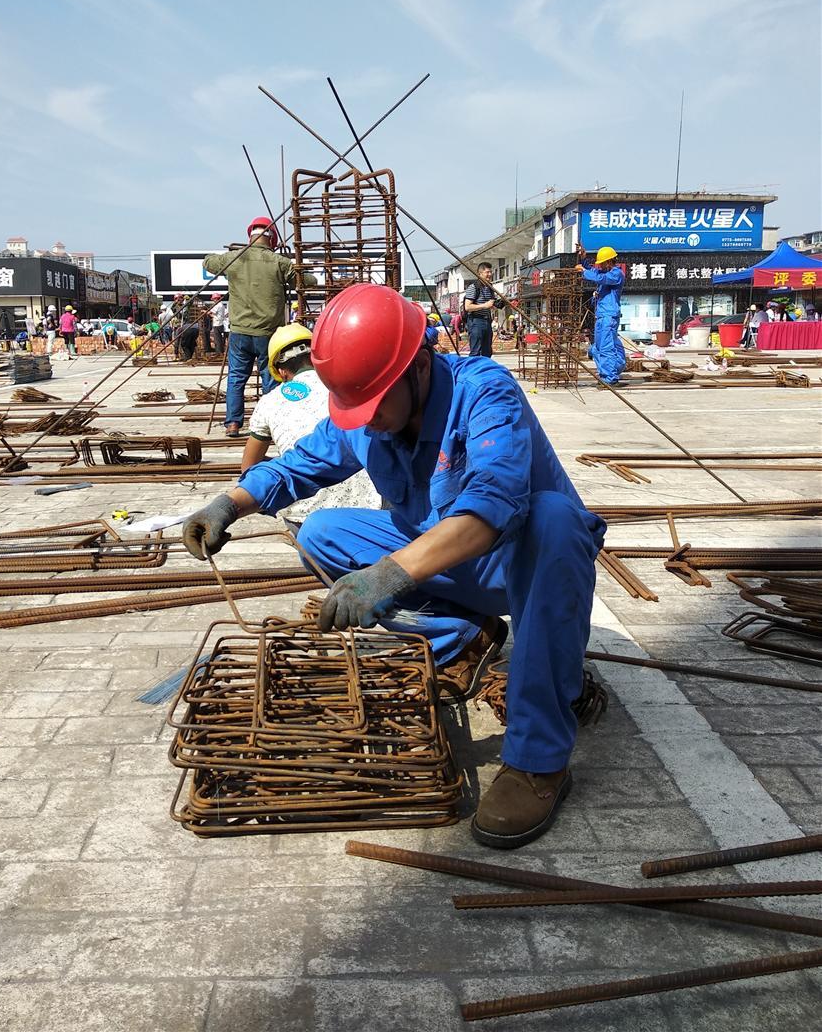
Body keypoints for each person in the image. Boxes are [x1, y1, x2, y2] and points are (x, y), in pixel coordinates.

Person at [182, 284, 605, 850]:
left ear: (419, 366)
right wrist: (227, 503)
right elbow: (298, 466)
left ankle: (539, 759)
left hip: (520, 563)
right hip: (439, 556)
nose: (370, 421)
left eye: (377, 403)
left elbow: (492, 507)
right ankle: (463, 634)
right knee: (323, 532)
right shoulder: (365, 411)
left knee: (554, 518)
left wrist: (388, 576)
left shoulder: (484, 392)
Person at [240, 323, 380, 530]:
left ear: (281, 372)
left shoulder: (269, 402)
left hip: (304, 515)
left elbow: (248, 468)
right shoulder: (346, 388)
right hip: (370, 505)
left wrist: (284, 465)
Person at [203, 217, 296, 437]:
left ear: (250, 236)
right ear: (272, 240)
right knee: (271, 378)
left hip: (240, 332)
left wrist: (233, 252)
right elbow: (303, 280)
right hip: (269, 334)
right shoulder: (280, 262)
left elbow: (208, 262)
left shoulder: (234, 258)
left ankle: (233, 424)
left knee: (236, 378)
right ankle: (271, 425)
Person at [575, 245, 626, 385]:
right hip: (601, 317)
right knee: (597, 348)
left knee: (606, 348)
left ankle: (610, 378)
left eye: (602, 263)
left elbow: (599, 277)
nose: (600, 266)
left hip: (609, 317)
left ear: (609, 262)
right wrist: (584, 259)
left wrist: (584, 271)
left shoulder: (616, 274)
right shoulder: (605, 274)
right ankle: (613, 369)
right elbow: (595, 272)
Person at [463, 262, 501, 357]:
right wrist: (485, 305)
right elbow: (467, 307)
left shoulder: (490, 288)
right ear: (480, 273)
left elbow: (490, 305)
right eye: (487, 272)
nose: (490, 274)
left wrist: (496, 304)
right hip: (476, 321)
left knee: (487, 351)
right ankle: (473, 370)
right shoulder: (473, 287)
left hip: (487, 321)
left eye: (490, 272)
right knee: (476, 351)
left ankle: (484, 370)